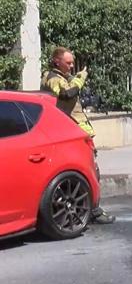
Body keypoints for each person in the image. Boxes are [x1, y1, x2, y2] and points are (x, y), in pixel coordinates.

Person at [41, 47, 116, 224]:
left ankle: (85, 210)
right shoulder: (52, 78)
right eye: (68, 62)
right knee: (89, 173)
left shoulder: (62, 78)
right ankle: (94, 211)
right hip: (70, 136)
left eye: (72, 62)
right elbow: (66, 94)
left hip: (76, 134)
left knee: (85, 173)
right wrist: (80, 79)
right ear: (56, 61)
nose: (72, 65)